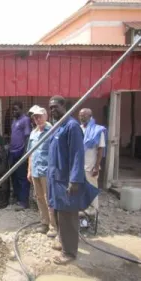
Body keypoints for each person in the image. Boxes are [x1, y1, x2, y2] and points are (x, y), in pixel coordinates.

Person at [48, 95, 99, 265]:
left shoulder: (72, 126)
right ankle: (63, 242)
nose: (52, 110)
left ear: (64, 106)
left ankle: (69, 252)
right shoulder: (58, 127)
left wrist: (75, 180)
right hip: (56, 179)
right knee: (58, 212)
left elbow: (78, 154)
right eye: (50, 107)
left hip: (66, 180)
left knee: (68, 215)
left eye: (55, 106)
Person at [26, 106, 57, 237]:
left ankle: (54, 226)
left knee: (49, 198)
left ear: (46, 116)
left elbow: (56, 152)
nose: (37, 119)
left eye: (39, 116)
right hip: (36, 170)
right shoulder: (34, 133)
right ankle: (44, 222)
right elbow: (30, 153)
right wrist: (29, 170)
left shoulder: (52, 131)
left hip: (47, 171)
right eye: (35, 117)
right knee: (39, 198)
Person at [79, 108, 106, 211]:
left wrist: (96, 167)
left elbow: (100, 150)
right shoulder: (78, 128)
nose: (82, 117)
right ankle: (83, 211)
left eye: (84, 115)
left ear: (90, 117)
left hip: (91, 167)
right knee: (81, 189)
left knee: (92, 189)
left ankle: (94, 212)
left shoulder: (97, 130)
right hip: (79, 166)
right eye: (80, 115)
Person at [10, 101, 32, 211]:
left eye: (16, 109)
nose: (14, 111)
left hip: (21, 152)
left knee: (22, 177)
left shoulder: (25, 120)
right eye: (13, 110)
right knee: (14, 177)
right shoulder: (14, 120)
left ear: (21, 109)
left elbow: (27, 137)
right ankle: (18, 198)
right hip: (12, 152)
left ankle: (24, 202)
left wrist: (25, 154)